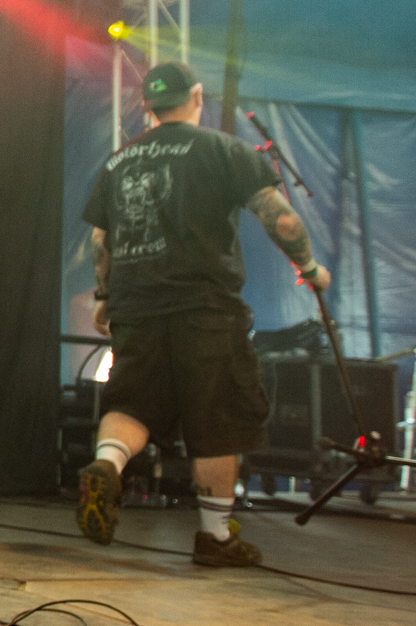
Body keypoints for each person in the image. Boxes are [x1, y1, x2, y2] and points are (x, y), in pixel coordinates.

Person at [77, 63, 330, 565]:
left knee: (132, 403)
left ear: (147, 106)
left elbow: (100, 240)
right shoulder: (223, 150)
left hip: (137, 306)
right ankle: (215, 537)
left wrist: (105, 296)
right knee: (217, 420)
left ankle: (106, 466)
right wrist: (309, 267)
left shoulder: (119, 161)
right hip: (206, 308)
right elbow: (281, 218)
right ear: (196, 96)